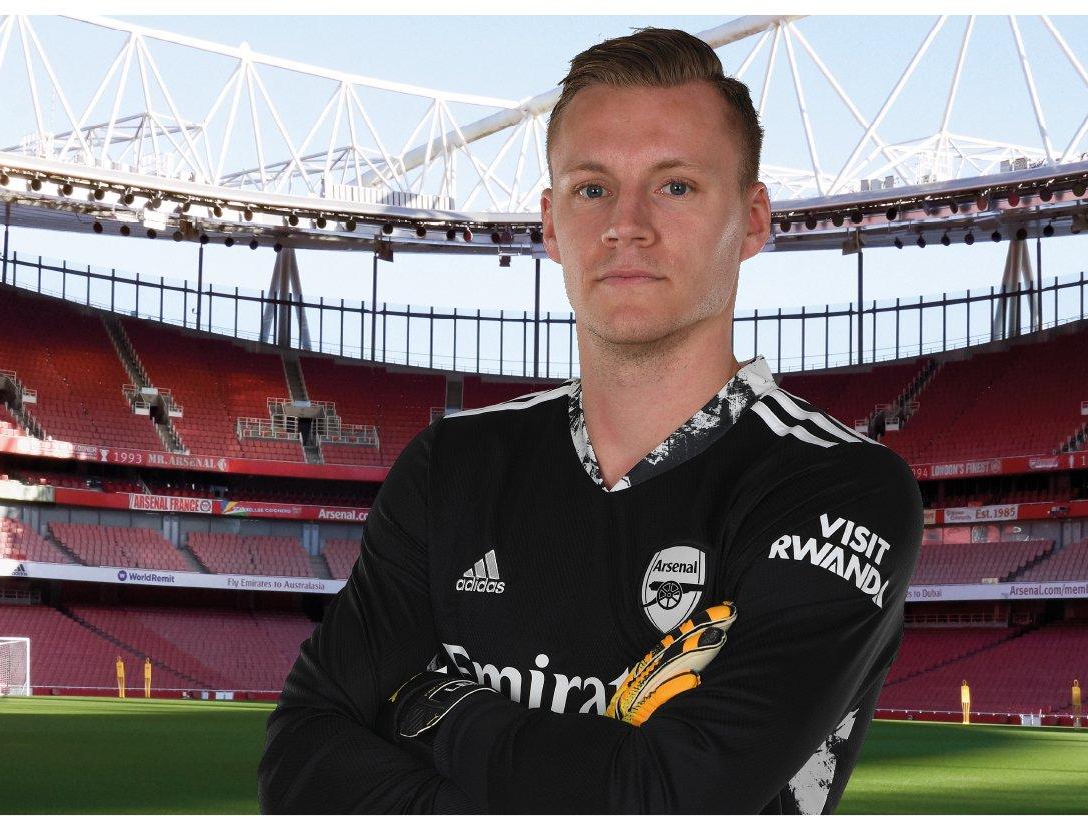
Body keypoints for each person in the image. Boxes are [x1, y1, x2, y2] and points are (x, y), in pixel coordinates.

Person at [257, 27, 920, 814]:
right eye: (592, 187)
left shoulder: (836, 486)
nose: (626, 223)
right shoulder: (450, 464)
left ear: (751, 221)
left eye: (675, 186)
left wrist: (434, 707)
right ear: (549, 221)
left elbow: (669, 799)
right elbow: (300, 762)